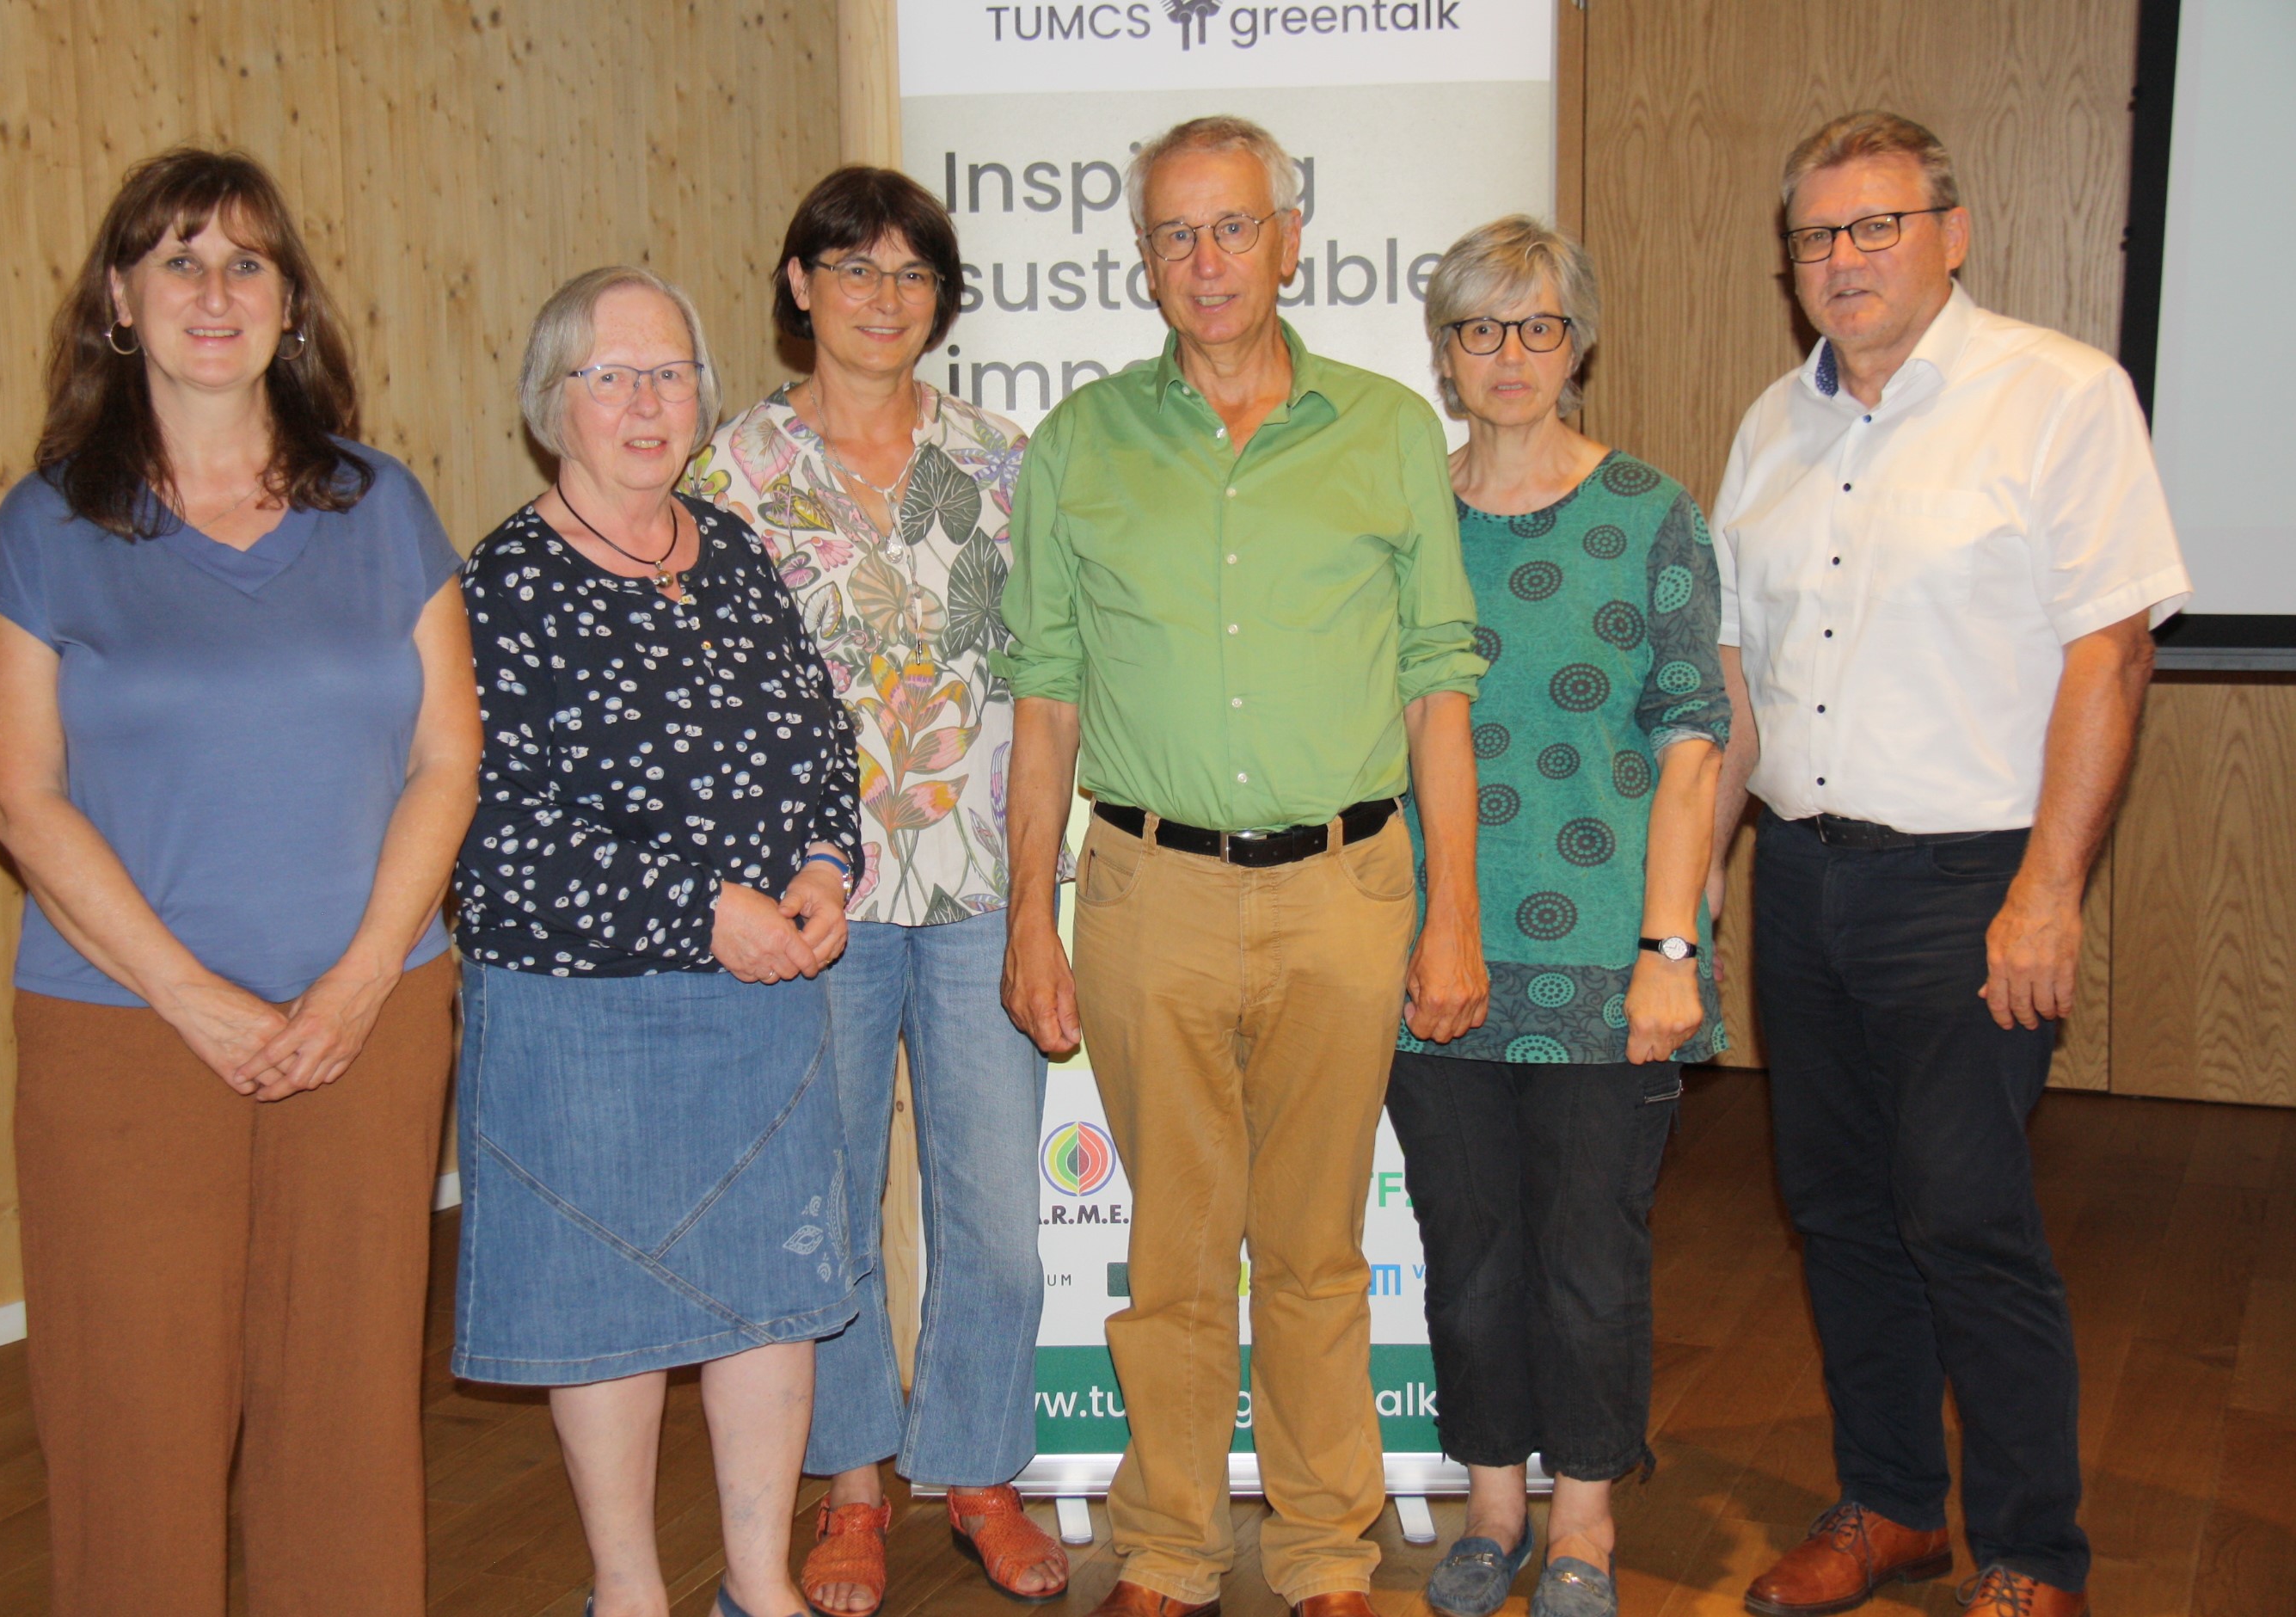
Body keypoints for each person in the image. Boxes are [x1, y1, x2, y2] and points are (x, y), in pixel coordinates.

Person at [0, 147, 480, 1614]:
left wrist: (364, 974)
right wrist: (193, 999)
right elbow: (20, 789)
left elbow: (447, 756)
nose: (214, 289)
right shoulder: (47, 525)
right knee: (133, 1417)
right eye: (178, 259)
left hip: (369, 1023)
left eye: (247, 262)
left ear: (290, 308)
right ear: (119, 301)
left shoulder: (381, 504)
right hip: (124, 1033)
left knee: (347, 1413)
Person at [1000, 115, 1489, 1617]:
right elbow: (1046, 689)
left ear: (1290, 237)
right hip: (1146, 895)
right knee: (1172, 1254)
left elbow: (1436, 680)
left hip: (1347, 893)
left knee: (1321, 1250)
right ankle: (1166, 1548)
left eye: (1232, 228)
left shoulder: (1391, 430)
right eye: (1173, 234)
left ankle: (1331, 1550)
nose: (1204, 262)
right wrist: (1034, 910)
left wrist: (1453, 910)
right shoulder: (1080, 445)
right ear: (1142, 256)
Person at [1711, 114, 2189, 1617]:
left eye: (1877, 228)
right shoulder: (1769, 430)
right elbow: (1737, 682)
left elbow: (2111, 656)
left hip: (1970, 885)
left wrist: (2047, 892)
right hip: (1801, 876)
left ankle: (2035, 1551)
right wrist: (1696, 894)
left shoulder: (2058, 397)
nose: (1843, 262)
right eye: (1816, 239)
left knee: (1967, 1218)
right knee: (1838, 1208)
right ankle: (1892, 1506)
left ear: (1953, 232)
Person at [451, 264, 865, 1617]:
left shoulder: (732, 549)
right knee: (607, 1317)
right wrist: (705, 911)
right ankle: (626, 1593)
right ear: (551, 401)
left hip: (762, 1007)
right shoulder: (504, 583)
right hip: (587, 1021)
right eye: (611, 375)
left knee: (772, 1300)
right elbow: (493, 831)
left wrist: (818, 867)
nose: (646, 401)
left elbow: (815, 741)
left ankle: (759, 1584)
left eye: (671, 372)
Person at [686, 166, 1071, 1617]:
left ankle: (976, 1474)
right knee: (826, 1214)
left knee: (994, 1217)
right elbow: (708, 710)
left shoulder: (1003, 461)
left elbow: (1043, 685)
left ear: (941, 300)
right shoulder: (730, 476)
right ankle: (851, 1491)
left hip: (978, 887)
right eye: (852, 269)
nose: (881, 297)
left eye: (911, 275)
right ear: (799, 286)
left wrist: (1040, 891)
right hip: (813, 911)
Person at [1390, 218, 1729, 1617]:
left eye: (1537, 328)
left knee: (1590, 1264)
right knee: (1467, 1259)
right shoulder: (1411, 513)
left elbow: (1694, 737)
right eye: (1480, 329)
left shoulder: (1652, 509)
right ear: (1446, 353)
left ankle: (1582, 1522)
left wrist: (1668, 951)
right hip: (1437, 953)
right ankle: (1489, 1509)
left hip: (1607, 957)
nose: (1510, 356)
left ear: (1579, 344)